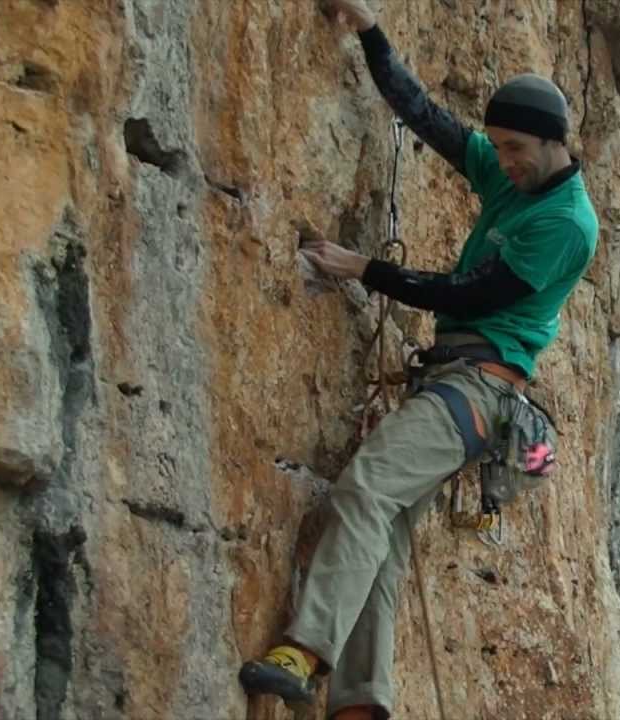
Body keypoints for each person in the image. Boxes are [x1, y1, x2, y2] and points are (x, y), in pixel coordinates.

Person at [238, 1, 599, 718]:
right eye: (496, 146)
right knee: (387, 538)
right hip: (453, 383)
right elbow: (426, 118)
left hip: (480, 390)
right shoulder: (510, 179)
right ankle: (361, 703)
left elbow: (475, 289)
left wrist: (361, 267)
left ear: (555, 142)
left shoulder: (567, 222)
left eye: (516, 148)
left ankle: (304, 651)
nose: (503, 160)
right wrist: (371, 31)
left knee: (364, 490)